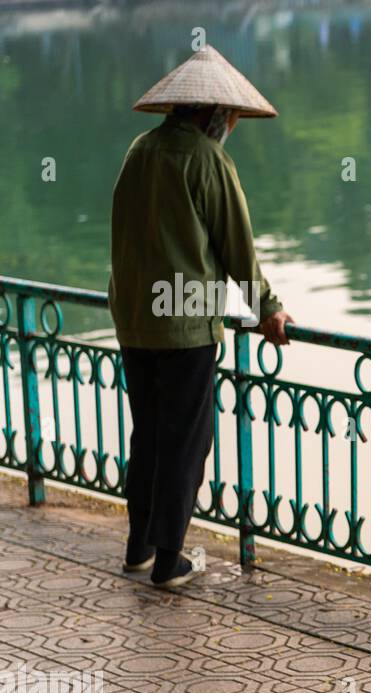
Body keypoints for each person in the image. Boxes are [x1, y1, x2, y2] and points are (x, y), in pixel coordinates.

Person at [109, 45, 292, 588]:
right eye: (231, 118)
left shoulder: (139, 151)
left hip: (136, 318)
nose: (231, 126)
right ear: (214, 114)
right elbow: (238, 250)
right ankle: (169, 560)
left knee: (149, 436)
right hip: (185, 323)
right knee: (187, 440)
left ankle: (138, 546)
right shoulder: (209, 160)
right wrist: (269, 310)